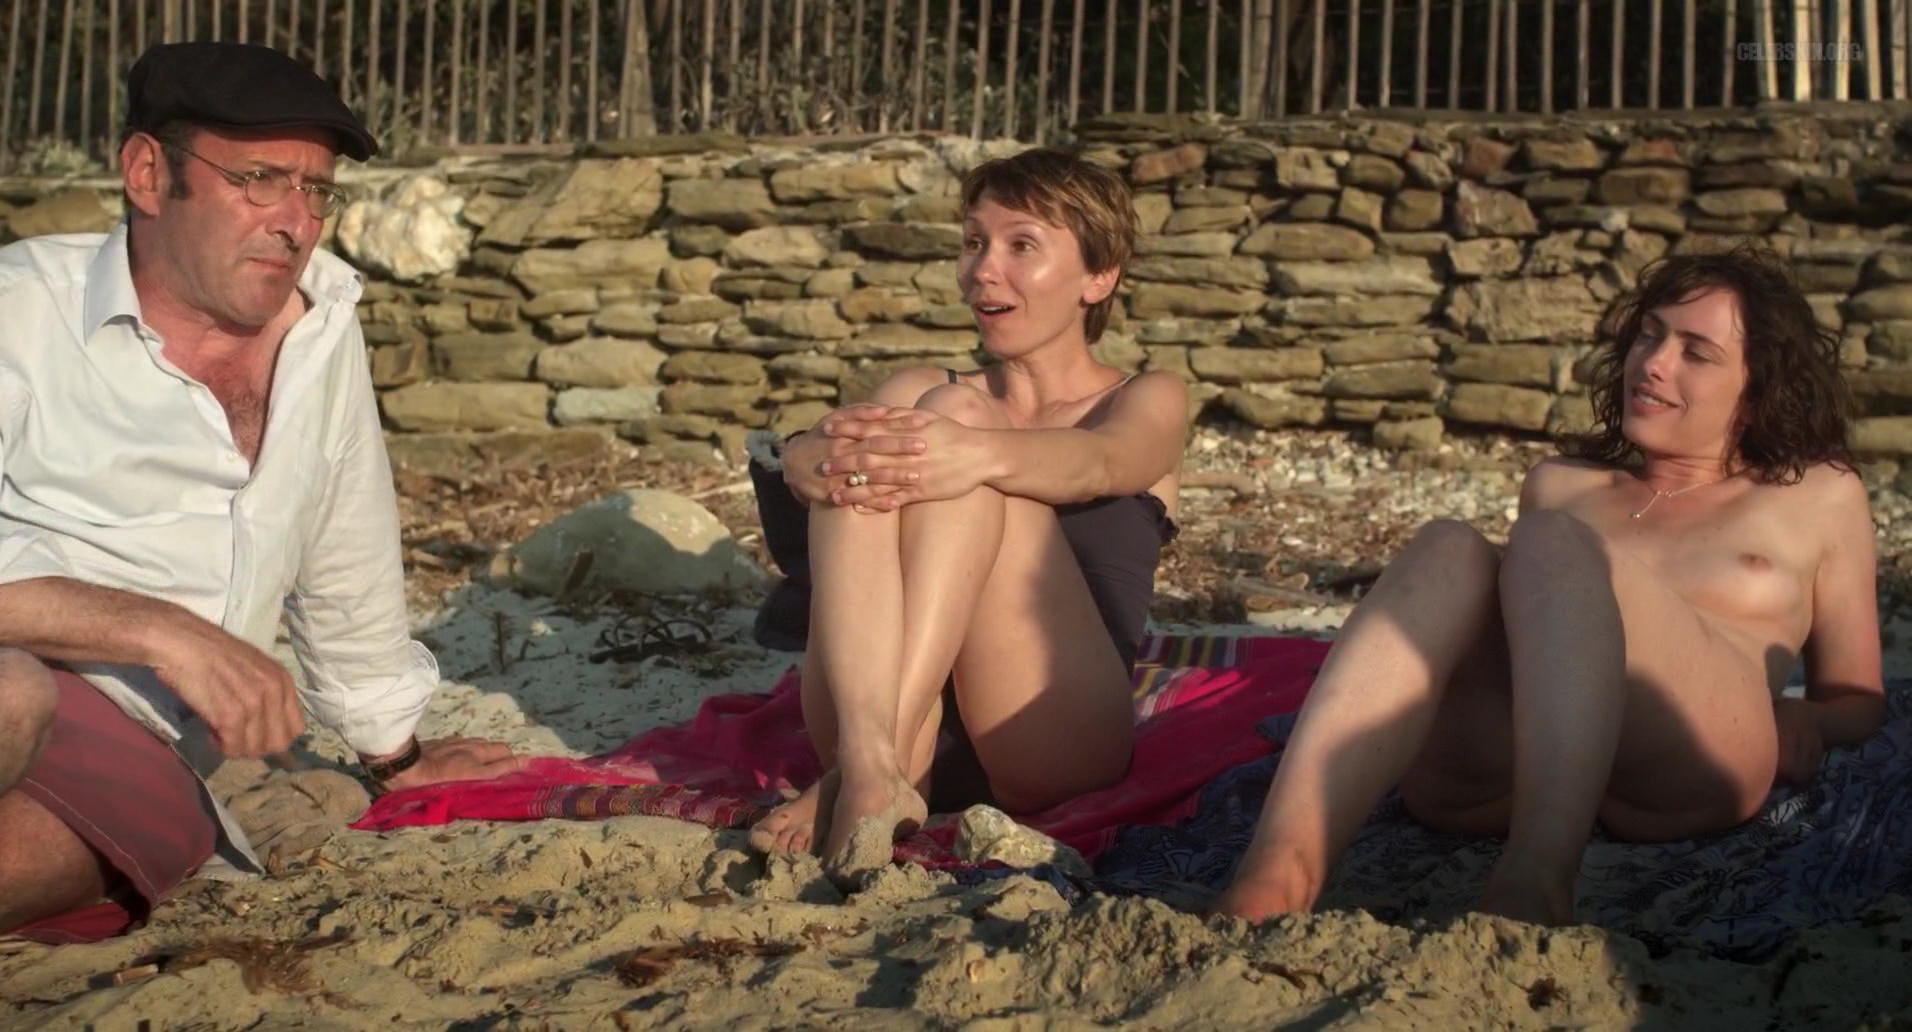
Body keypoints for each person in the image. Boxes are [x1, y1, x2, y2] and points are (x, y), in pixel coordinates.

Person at [0, 42, 523, 944]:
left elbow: (346, 542)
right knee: (14, 695)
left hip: (144, 742)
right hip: (24, 668)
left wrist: (393, 752)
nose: (295, 221)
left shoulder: (322, 331)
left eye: (316, 189)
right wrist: (159, 630)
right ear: (148, 173)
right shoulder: (21, 311)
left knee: (95, 844)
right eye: (259, 179)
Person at [1212, 245, 1885, 927]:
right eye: (1649, 334)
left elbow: (1856, 698)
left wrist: (1810, 719)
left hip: (1693, 759)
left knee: (1551, 542)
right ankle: (1278, 870)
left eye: (1696, 353)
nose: (1653, 363)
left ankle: (1534, 881)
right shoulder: (1563, 485)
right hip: (1501, 774)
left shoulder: (1816, 496)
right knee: (1448, 545)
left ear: (1758, 390)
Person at [744, 148, 1190, 882]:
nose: (984, 269)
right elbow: (832, 463)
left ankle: (864, 767)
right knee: (881, 442)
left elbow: (1104, 463)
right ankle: (872, 763)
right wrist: (803, 456)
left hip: (1049, 731)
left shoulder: (1146, 398)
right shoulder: (922, 391)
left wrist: (972, 450)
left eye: (1022, 246)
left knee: (948, 428)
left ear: (1099, 276)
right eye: (975, 242)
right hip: (891, 734)